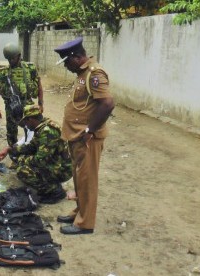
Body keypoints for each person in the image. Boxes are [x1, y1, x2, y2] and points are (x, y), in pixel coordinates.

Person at [54, 37, 115, 235]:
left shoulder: (94, 74)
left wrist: (90, 130)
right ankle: (79, 211)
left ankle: (85, 223)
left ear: (76, 57)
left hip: (87, 138)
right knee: (79, 177)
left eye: (66, 62)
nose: (66, 67)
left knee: (87, 179)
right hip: (76, 136)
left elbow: (107, 103)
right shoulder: (82, 73)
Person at [0, 105, 71, 204]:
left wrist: (21, 160)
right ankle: (49, 185)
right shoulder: (42, 127)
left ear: (31, 119)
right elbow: (31, 147)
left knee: (22, 171)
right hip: (55, 162)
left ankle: (54, 191)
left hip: (62, 169)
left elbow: (41, 161)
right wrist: (9, 149)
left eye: (26, 122)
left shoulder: (47, 132)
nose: (25, 125)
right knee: (22, 160)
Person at [0, 43, 44, 147]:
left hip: (28, 105)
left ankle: (32, 150)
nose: (10, 61)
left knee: (34, 129)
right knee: (11, 133)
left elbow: (39, 86)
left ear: (19, 55)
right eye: (8, 59)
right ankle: (14, 153)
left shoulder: (30, 68)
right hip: (11, 107)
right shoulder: (3, 73)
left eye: (12, 58)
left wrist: (40, 104)